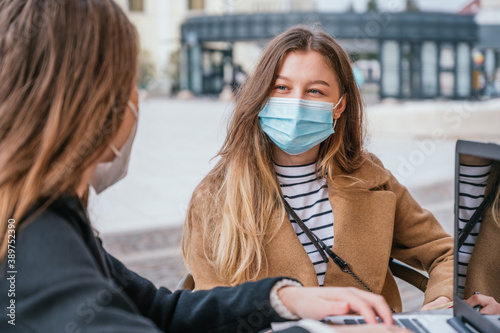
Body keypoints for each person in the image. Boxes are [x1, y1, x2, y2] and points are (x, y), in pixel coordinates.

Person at [0, 1, 407, 332]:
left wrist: (280, 298)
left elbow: (159, 309)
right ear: (91, 106)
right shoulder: (33, 243)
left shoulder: (38, 220)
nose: (137, 101)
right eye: (129, 84)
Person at [182, 25, 454, 313]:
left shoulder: (371, 177)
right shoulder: (214, 198)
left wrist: (439, 304)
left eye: (314, 91)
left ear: (339, 106)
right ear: (260, 95)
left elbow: (444, 253)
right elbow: (213, 312)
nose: (296, 103)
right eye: (281, 87)